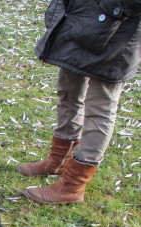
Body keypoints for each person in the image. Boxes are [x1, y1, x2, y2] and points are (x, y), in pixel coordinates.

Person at [19, 0, 141, 204]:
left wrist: (113, 8)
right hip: (84, 18)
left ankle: (73, 185)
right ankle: (59, 159)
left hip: (119, 28)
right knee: (68, 91)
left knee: (100, 106)